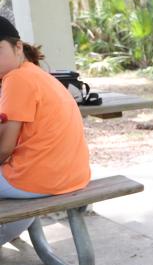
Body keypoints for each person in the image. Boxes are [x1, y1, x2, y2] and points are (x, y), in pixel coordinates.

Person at [0, 16, 90, 245]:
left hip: (42, 179)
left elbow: (4, 149)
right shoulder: (35, 73)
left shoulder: (16, 79)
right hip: (72, 175)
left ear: (17, 47)